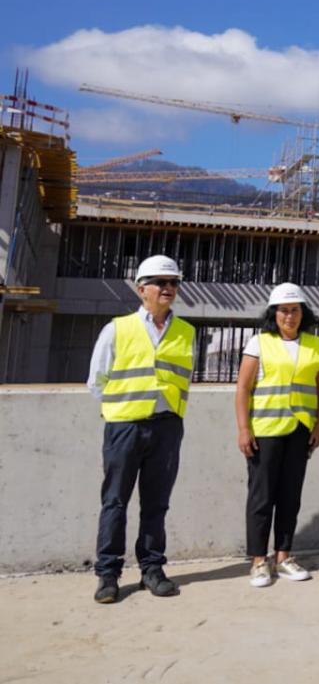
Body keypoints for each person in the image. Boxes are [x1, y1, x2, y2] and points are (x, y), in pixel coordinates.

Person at [89, 255, 194, 604]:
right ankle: (108, 574)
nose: (168, 289)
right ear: (141, 288)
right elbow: (97, 381)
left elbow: (182, 379)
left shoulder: (185, 331)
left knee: (156, 503)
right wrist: (120, 412)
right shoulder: (117, 329)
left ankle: (152, 569)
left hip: (166, 428)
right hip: (125, 427)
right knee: (115, 501)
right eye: (160, 283)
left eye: (173, 283)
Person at [235, 282, 319, 588]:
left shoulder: (314, 344)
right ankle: (259, 561)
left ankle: (284, 556)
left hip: (300, 429)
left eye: (295, 310)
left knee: (290, 496)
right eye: (284, 311)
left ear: (304, 313)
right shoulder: (259, 343)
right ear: (274, 314)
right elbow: (244, 388)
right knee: (262, 497)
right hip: (266, 430)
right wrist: (244, 428)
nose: (290, 316)